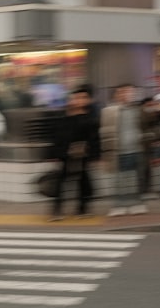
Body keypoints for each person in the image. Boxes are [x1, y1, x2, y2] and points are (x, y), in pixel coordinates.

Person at [49, 87, 100, 220]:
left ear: (89, 100)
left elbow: (94, 138)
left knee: (84, 182)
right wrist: (56, 154)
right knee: (61, 182)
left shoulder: (91, 118)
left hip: (83, 154)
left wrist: (95, 155)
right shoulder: (65, 117)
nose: (79, 100)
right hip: (66, 154)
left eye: (83, 98)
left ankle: (82, 209)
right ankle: (57, 210)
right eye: (77, 98)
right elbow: (58, 137)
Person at [100, 84, 148, 216]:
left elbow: (145, 127)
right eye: (123, 93)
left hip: (136, 148)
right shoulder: (109, 111)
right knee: (119, 179)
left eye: (130, 93)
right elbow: (104, 133)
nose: (127, 95)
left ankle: (136, 203)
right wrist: (104, 153)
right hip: (117, 150)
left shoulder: (138, 110)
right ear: (116, 95)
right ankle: (119, 204)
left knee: (136, 178)